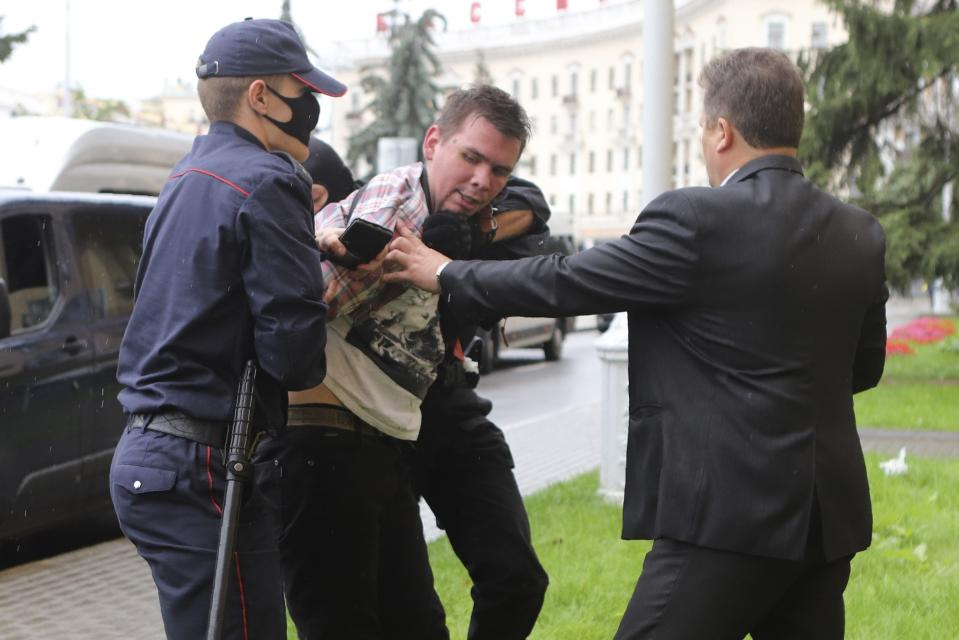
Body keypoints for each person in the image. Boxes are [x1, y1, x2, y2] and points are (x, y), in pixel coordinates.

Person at [385, 47, 889, 639]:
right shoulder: (861, 232)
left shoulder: (696, 218)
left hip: (725, 518)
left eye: (703, 129)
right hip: (826, 523)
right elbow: (863, 369)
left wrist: (445, 271)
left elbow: (567, 279)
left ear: (722, 131)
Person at [255, 85, 548, 639]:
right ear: (433, 142)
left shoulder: (468, 213)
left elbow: (536, 211)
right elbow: (301, 311)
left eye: (499, 170)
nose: (483, 180)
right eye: (471, 158)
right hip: (320, 445)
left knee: (424, 620)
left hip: (392, 435)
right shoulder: (398, 200)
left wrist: (462, 247)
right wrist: (353, 263)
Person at [109, 18, 345, 640]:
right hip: (203, 467)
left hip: (156, 458)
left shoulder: (188, 175)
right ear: (261, 96)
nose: (312, 110)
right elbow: (295, 357)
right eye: (303, 92)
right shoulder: (271, 179)